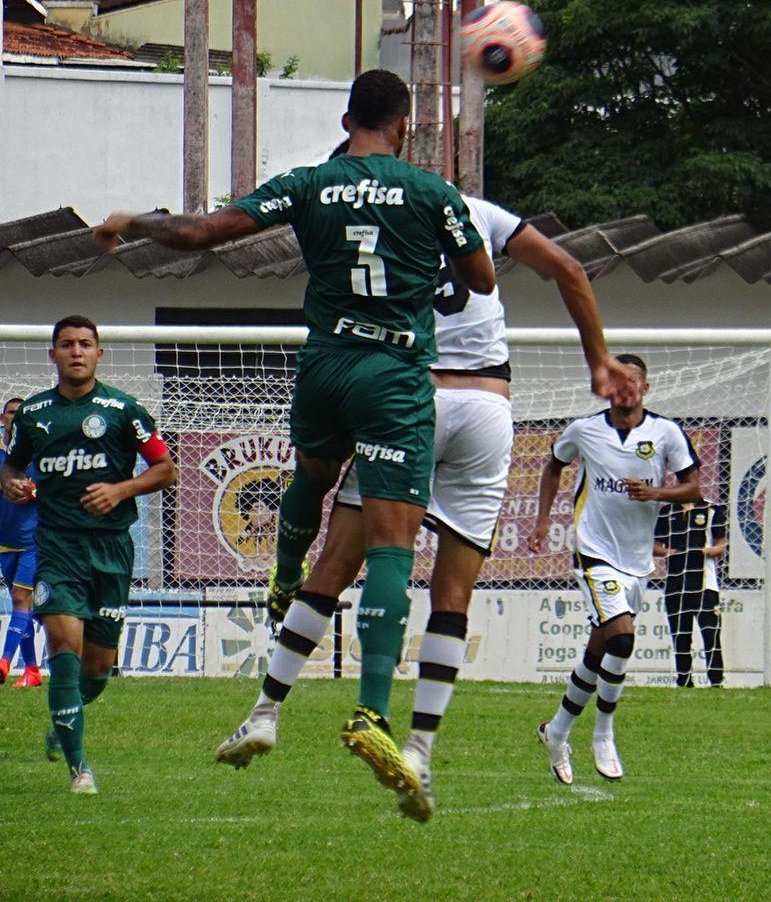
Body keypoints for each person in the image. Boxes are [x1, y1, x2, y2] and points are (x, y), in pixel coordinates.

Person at [93, 70, 494, 808]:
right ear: (404, 125)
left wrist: (130, 218)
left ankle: (282, 578)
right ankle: (373, 711)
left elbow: (198, 234)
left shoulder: (307, 182)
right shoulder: (433, 192)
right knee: (390, 542)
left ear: (348, 120)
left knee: (312, 471)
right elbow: (483, 279)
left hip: (323, 367)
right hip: (393, 376)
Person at [214, 186, 638, 822]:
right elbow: (569, 269)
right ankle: (419, 752)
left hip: (410, 399)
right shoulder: (481, 214)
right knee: (453, 598)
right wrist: (598, 358)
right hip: (487, 410)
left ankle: (266, 712)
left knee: (334, 569)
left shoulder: (375, 209)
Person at [0, 316, 177, 795]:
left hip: (112, 550)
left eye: (85, 344)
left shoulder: (125, 411)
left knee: (97, 671)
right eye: (66, 344)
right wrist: (12, 484)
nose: (76, 351)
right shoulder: (34, 414)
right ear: (52, 355)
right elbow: (12, 466)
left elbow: (166, 470)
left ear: (100, 354)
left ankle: (62, 723)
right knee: (64, 650)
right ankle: (81, 770)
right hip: (56, 546)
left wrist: (120, 489)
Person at [529, 355, 700, 784]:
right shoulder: (585, 430)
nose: (625, 389)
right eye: (617, 381)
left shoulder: (665, 433)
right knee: (622, 637)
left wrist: (656, 492)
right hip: (594, 551)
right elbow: (553, 465)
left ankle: (557, 730)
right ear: (607, 389)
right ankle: (603, 734)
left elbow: (694, 487)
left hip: (637, 561)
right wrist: (544, 520)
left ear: (645, 388)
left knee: (599, 649)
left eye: (633, 381)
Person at [654, 498, 727, 687]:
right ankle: (684, 680)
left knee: (711, 635)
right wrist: (671, 552)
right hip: (675, 585)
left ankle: (716, 682)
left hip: (705, 585)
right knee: (681, 636)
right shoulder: (667, 511)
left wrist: (706, 551)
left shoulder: (711, 509)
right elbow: (655, 546)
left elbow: (721, 546)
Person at [0, 396, 41, 687]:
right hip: (4, 541)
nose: (15, 417)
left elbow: (54, 487)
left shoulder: (37, 452)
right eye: (11, 413)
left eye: (20, 413)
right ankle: (32, 671)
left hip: (33, 539)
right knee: (24, 605)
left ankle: (3, 663)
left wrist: (34, 491)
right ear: (3, 419)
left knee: (19, 597)